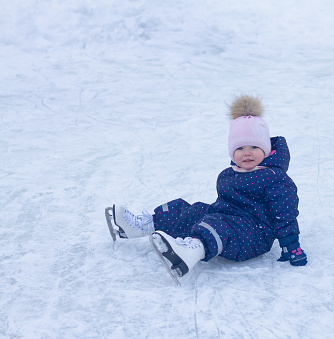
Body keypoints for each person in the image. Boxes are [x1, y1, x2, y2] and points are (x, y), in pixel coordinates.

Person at [109, 95, 307, 282]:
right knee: (194, 211)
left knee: (218, 225)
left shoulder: (275, 178)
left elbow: (285, 214)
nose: (247, 153)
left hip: (254, 234)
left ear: (265, 149)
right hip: (226, 218)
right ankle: (143, 226)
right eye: (239, 148)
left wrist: (291, 245)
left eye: (254, 147)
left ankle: (193, 250)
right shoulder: (230, 173)